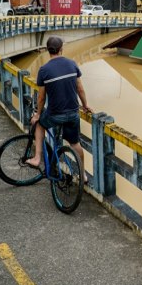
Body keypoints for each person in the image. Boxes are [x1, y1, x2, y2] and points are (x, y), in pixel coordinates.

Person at [26, 36, 92, 182]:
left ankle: (37, 158)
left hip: (55, 114)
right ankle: (83, 175)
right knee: (75, 144)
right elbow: (80, 89)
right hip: (73, 113)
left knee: (40, 125)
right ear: (61, 49)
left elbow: (41, 98)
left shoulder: (44, 70)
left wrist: (37, 114)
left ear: (47, 50)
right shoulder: (72, 64)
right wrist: (85, 105)